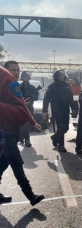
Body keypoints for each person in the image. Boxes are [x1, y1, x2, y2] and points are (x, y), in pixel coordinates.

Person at [0, 67, 45, 206]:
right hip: (5, 128)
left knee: (4, 161)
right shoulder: (6, 77)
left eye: (18, 69)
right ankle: (30, 194)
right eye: (13, 69)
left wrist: (33, 122)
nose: (16, 72)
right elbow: (19, 106)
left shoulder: (11, 81)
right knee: (15, 160)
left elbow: (22, 105)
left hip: (12, 127)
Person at [43, 70, 78, 152]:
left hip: (65, 109)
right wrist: (45, 111)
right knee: (61, 126)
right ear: (56, 77)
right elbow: (46, 99)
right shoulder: (52, 87)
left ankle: (55, 138)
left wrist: (74, 108)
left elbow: (70, 98)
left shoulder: (67, 86)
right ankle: (61, 146)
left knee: (66, 128)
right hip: (56, 109)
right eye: (60, 76)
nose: (63, 77)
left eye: (63, 76)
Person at [19, 71, 39, 147]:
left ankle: (21, 136)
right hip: (21, 107)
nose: (26, 78)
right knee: (25, 124)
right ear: (22, 78)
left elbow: (36, 97)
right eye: (24, 77)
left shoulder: (32, 88)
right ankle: (27, 139)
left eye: (27, 77)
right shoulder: (19, 87)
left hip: (30, 107)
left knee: (30, 123)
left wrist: (31, 97)